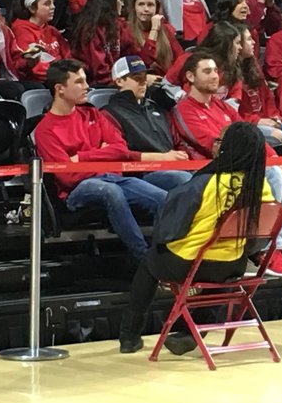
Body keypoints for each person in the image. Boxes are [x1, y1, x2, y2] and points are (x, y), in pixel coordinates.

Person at [117, 121, 275, 355]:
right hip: (232, 264)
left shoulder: (206, 183)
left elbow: (170, 228)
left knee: (150, 262)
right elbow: (260, 236)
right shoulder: (261, 186)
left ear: (228, 147)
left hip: (189, 262)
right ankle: (191, 332)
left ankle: (129, 337)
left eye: (220, 141)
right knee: (225, 273)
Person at [170, 52, 282, 275]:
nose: (215, 76)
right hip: (215, 175)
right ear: (191, 77)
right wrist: (271, 165)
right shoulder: (183, 109)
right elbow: (215, 147)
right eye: (207, 71)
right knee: (273, 174)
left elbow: (253, 137)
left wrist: (279, 161)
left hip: (246, 170)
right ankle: (270, 249)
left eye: (215, 71)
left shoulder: (222, 106)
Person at [33, 59, 168, 260]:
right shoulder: (46, 130)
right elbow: (68, 177)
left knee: (165, 199)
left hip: (111, 177)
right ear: (60, 89)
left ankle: (169, 257)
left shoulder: (92, 113)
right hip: (76, 191)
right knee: (110, 191)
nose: (87, 87)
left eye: (86, 81)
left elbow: (120, 148)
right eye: (79, 82)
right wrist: (104, 158)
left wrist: (82, 157)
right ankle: (146, 260)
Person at [102, 55, 193, 194]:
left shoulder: (157, 108)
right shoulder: (109, 114)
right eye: (137, 78)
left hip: (173, 166)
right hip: (141, 173)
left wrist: (183, 156)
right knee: (184, 179)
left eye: (145, 77)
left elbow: (177, 141)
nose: (143, 82)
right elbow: (119, 153)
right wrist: (161, 158)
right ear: (119, 81)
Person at [232, 25, 282, 143]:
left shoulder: (254, 67)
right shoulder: (230, 75)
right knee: (278, 136)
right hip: (248, 125)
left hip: (267, 121)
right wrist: (258, 121)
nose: (254, 42)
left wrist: (275, 117)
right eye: (249, 39)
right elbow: (235, 113)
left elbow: (268, 98)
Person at [70, 0, 137, 86]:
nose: (123, 4)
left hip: (117, 80)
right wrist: (124, 82)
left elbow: (130, 55)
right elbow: (99, 71)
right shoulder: (90, 29)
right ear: (108, 3)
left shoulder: (119, 25)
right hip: (98, 84)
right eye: (120, 0)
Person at [165, 21, 244, 101]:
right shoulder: (188, 60)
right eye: (237, 43)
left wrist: (217, 110)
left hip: (218, 112)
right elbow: (167, 83)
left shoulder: (233, 68)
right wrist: (182, 96)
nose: (240, 47)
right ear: (225, 45)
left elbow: (234, 99)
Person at [10, 0, 68, 84]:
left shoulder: (52, 31)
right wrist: (63, 78)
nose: (53, 7)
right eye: (47, 4)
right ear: (32, 8)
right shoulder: (22, 30)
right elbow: (36, 68)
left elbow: (68, 57)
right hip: (40, 82)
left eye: (53, 3)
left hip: (61, 79)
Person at [125, 0, 183, 78]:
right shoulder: (127, 31)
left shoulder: (166, 30)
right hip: (139, 81)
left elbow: (180, 59)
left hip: (167, 81)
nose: (146, 9)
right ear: (134, 7)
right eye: (141, 4)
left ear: (157, 8)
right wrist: (154, 30)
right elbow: (142, 64)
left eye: (150, 5)